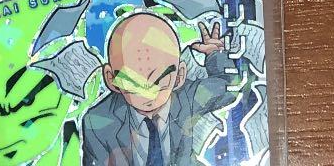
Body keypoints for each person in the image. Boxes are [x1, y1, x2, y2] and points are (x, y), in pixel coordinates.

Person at [82, 12, 234, 165]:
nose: (148, 94)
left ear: (179, 75)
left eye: (160, 81)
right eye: (133, 83)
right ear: (111, 79)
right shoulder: (97, 122)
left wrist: (214, 53)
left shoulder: (186, 98)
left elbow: (228, 87)